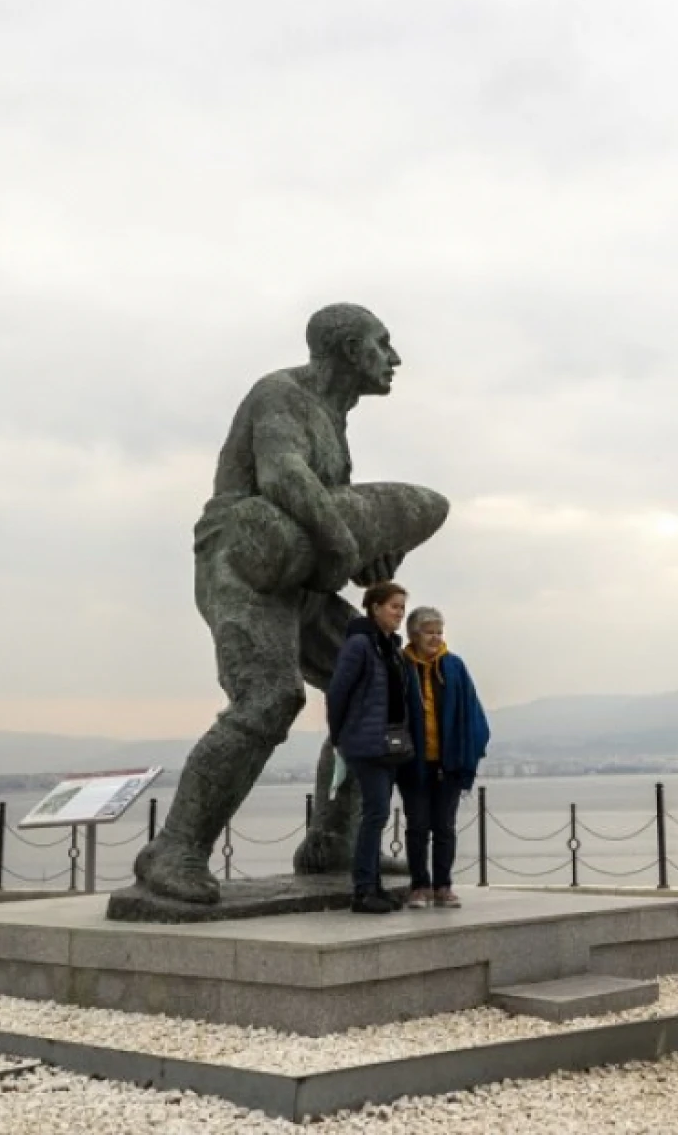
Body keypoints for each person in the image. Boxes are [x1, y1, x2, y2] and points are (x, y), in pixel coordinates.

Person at [129, 303, 447, 905]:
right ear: (351, 350)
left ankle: (331, 840)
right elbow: (283, 477)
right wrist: (349, 545)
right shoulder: (280, 394)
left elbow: (327, 514)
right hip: (245, 567)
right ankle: (175, 848)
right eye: (384, 344)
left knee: (385, 687)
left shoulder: (334, 417)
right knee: (270, 697)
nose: (395, 358)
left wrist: (373, 560)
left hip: (301, 584)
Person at [327, 581, 421, 914]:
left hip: (390, 744)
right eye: (395, 606)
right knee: (376, 813)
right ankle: (363, 890)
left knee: (377, 814)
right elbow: (337, 691)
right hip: (365, 744)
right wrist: (339, 735)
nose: (399, 614)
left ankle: (374, 886)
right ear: (376, 607)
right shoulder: (359, 645)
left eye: (402, 608)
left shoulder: (390, 647)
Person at [397, 606, 491, 908]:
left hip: (448, 763)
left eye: (439, 631)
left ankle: (443, 886)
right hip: (413, 762)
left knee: (445, 827)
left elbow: (473, 712)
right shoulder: (401, 665)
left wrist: (470, 751)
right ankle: (419, 887)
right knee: (417, 827)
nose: (436, 637)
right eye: (429, 632)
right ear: (413, 635)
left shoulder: (454, 667)